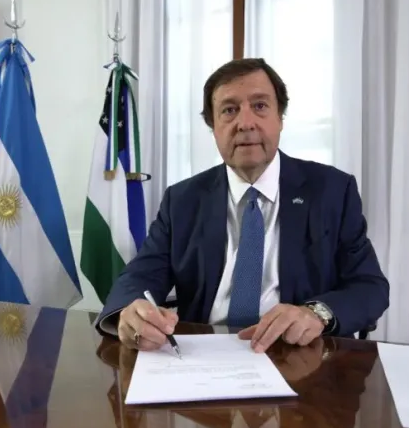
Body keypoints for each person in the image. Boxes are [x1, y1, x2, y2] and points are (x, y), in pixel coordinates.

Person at [95, 58, 389, 351]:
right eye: (229, 110)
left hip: (300, 354)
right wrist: (130, 312)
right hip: (204, 353)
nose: (245, 123)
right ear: (213, 127)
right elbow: (140, 275)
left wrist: (316, 314)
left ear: (280, 118)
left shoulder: (332, 190)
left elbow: (369, 286)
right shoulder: (183, 199)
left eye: (260, 106)